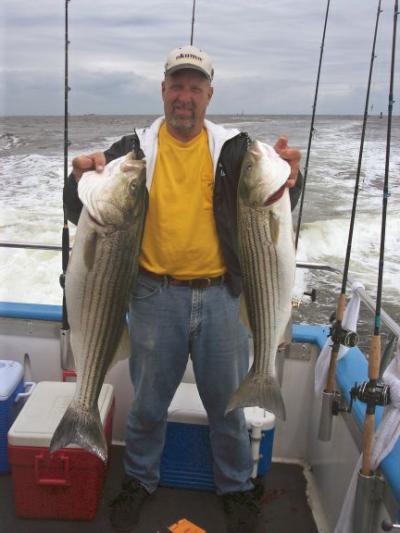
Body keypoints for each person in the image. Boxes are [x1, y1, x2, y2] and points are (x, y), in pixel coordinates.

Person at [64, 45, 302, 533]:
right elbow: (82, 208)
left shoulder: (235, 147)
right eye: (177, 85)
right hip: (154, 296)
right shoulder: (134, 148)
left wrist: (295, 175)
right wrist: (79, 173)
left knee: (227, 407)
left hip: (223, 297)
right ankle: (138, 480)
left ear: (209, 95)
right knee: (149, 405)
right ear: (163, 90)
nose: (185, 97)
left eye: (195, 87)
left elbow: (273, 200)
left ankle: (235, 487)